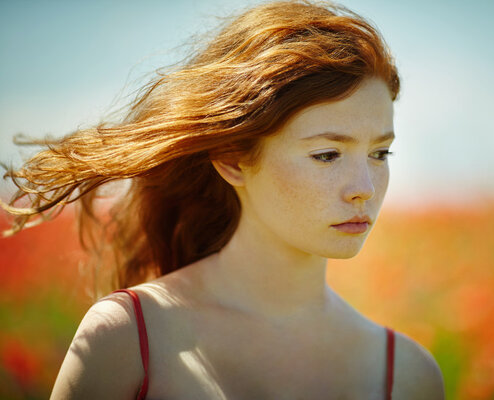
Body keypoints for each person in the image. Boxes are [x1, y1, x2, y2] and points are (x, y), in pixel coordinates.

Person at [2, 1, 444, 398]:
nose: (364, 186)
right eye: (327, 154)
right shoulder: (128, 338)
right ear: (232, 161)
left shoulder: (408, 374)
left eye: (380, 153)